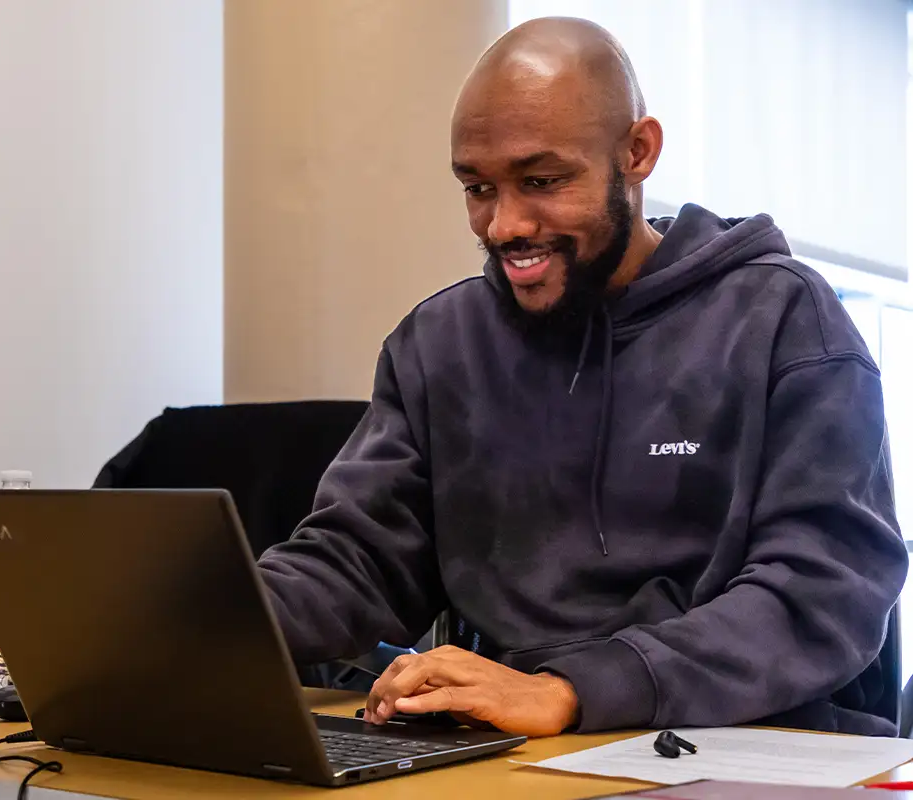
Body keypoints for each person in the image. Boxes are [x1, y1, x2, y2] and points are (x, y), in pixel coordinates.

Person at [257, 16, 908, 737]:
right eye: (477, 188)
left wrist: (572, 690)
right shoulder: (439, 344)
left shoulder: (783, 317)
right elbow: (360, 561)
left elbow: (821, 593)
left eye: (542, 181)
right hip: (513, 747)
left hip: (747, 739)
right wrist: (196, 615)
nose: (502, 224)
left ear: (638, 152)